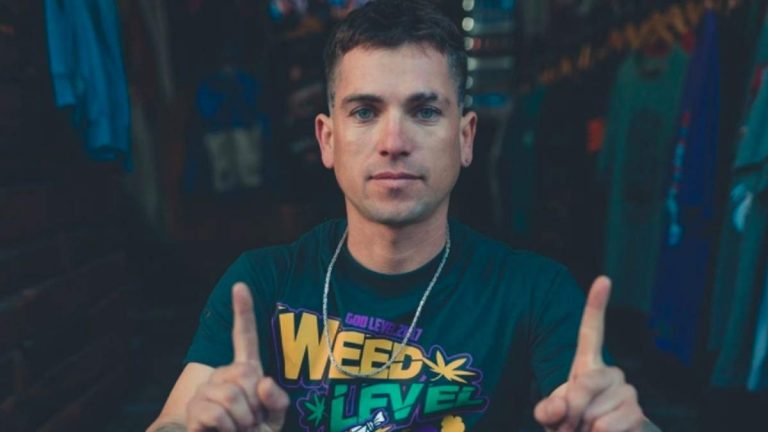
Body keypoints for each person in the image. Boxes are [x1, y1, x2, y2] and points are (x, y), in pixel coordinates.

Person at [148, 1, 659, 431]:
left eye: (425, 111)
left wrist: (628, 426)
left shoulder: (533, 294)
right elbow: (170, 423)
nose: (394, 142)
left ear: (465, 138)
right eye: (365, 112)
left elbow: (602, 410)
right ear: (327, 139)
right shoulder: (261, 285)